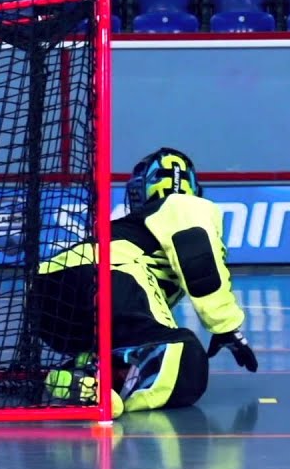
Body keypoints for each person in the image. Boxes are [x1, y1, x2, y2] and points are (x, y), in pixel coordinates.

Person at [28, 147, 260, 418]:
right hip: (106, 274)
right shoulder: (184, 204)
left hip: (50, 299)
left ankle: (83, 374)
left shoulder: (141, 224)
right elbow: (199, 262)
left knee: (141, 343)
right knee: (186, 356)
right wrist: (226, 325)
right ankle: (109, 391)